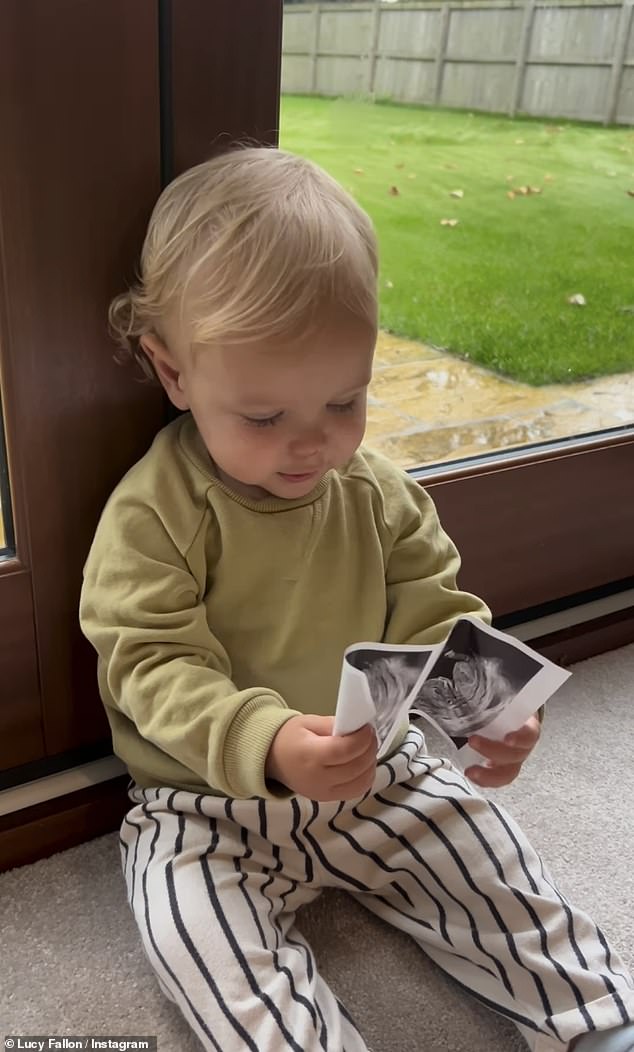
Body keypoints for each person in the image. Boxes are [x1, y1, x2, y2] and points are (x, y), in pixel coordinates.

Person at [79, 147, 634, 1052]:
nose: (313, 445)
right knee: (189, 933)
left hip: (381, 771)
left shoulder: (377, 494)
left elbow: (431, 606)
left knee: (493, 860)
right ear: (173, 372)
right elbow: (150, 664)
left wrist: (488, 709)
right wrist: (265, 742)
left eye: (346, 401)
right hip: (207, 804)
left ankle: (596, 1018)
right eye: (265, 418)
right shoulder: (155, 513)